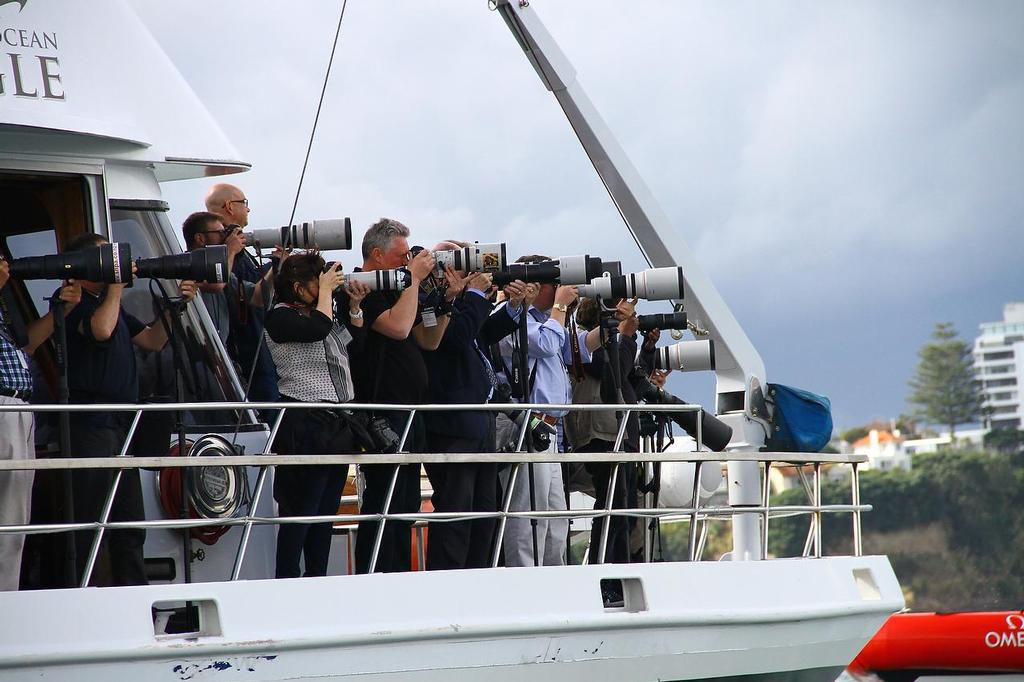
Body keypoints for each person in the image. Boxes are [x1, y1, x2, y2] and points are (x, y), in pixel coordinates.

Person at [63, 232, 196, 586]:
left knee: (129, 523)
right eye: (107, 257)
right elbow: (101, 331)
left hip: (120, 424)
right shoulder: (73, 303)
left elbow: (152, 340)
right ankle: (77, 597)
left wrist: (175, 308)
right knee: (90, 521)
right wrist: (117, 287)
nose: (116, 262)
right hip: (90, 422)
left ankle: (132, 599)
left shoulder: (112, 304)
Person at [336, 218, 438, 574]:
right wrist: (413, 278)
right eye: (401, 256)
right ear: (376, 255)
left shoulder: (398, 288)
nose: (406, 260)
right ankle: (378, 576)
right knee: (385, 502)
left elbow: (428, 337)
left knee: (407, 503)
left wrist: (447, 298)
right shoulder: (360, 289)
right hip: (383, 412)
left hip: (410, 411)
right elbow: (397, 328)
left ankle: (398, 576)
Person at [263, 252, 370, 578]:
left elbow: (355, 348)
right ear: (297, 287)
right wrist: (326, 294)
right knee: (301, 512)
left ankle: (318, 579)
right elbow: (315, 330)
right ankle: (287, 581)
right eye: (317, 281)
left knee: (326, 512)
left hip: (336, 421)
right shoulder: (279, 317)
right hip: (304, 421)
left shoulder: (321, 312)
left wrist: (353, 309)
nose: (326, 286)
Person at [420, 249, 528, 570]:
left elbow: (480, 333)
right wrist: (476, 295)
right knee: (457, 512)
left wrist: (512, 306)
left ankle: (479, 577)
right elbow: (455, 338)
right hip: (453, 423)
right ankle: (449, 580)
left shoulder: (464, 305)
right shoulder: (432, 303)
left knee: (485, 511)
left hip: (479, 421)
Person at [496, 255, 603, 567]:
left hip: (551, 432)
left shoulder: (548, 323)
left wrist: (612, 322)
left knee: (555, 520)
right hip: (526, 428)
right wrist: (560, 307)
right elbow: (543, 345)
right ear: (530, 288)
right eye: (553, 284)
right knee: (529, 516)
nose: (559, 290)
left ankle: (555, 584)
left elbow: (577, 347)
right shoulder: (513, 320)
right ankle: (526, 582)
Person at [0, 258, 78, 590]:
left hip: (17, 409)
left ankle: (7, 602)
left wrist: (59, 312)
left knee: (13, 522)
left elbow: (25, 346)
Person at [565, 296, 643, 565]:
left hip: (617, 433)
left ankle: (618, 573)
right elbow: (616, 371)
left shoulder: (610, 342)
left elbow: (633, 376)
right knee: (612, 506)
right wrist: (625, 337)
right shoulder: (586, 343)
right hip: (602, 433)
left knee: (625, 509)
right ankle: (604, 574)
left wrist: (648, 346)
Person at [205, 184, 279, 404]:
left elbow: (255, 292)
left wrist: (276, 266)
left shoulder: (234, 248)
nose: (247, 210)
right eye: (244, 203)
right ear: (229, 206)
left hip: (252, 347)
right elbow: (221, 284)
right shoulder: (224, 250)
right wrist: (229, 250)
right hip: (245, 349)